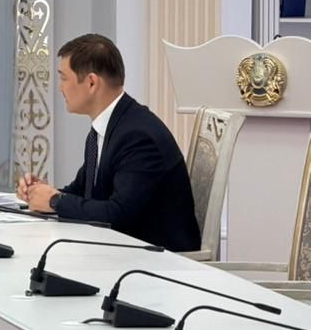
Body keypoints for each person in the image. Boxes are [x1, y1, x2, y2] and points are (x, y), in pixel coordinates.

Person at [16, 34, 200, 252]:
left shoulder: (138, 137)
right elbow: (83, 192)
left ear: (91, 82)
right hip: (122, 250)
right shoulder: (106, 128)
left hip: (157, 260)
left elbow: (118, 214)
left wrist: (54, 201)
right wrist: (40, 192)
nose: (60, 88)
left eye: (64, 78)